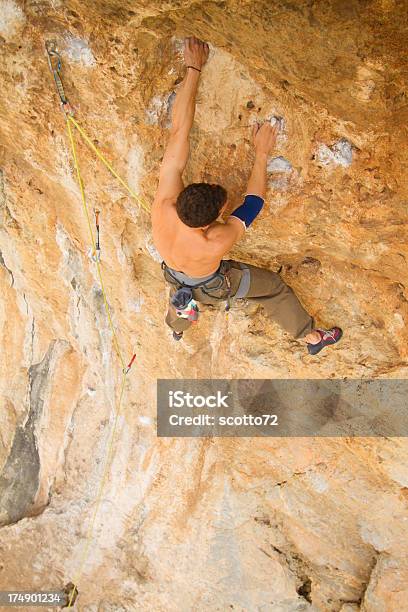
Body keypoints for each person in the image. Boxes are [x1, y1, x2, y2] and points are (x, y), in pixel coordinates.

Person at [151, 36, 342, 355]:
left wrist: (193, 68)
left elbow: (179, 130)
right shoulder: (214, 241)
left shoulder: (164, 204)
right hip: (212, 286)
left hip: (173, 273)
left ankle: (178, 327)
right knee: (275, 291)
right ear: (210, 224)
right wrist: (262, 154)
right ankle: (311, 339)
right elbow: (253, 203)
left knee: (180, 295)